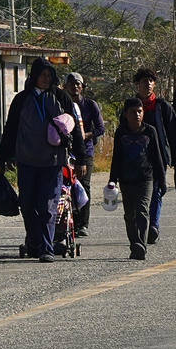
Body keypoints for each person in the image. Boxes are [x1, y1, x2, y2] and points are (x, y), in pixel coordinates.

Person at [0, 59, 82, 262]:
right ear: (34, 76)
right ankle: (34, 241)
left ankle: (46, 248)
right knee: (27, 204)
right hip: (27, 161)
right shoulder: (22, 99)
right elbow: (10, 130)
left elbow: (74, 129)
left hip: (53, 162)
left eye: (49, 75)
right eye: (42, 75)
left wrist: (81, 159)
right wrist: (2, 158)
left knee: (48, 206)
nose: (46, 78)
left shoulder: (60, 97)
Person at [108, 96, 170, 260]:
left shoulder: (150, 131)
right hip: (126, 179)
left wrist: (162, 181)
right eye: (133, 112)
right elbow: (116, 158)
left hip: (146, 178)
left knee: (142, 211)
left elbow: (157, 158)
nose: (137, 115)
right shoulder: (121, 132)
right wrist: (112, 180)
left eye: (140, 111)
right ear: (126, 114)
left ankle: (141, 245)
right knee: (130, 214)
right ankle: (134, 243)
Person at [132, 67, 176, 239]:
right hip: (135, 158)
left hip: (158, 157)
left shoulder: (162, 107)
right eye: (143, 81)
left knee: (156, 191)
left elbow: (175, 135)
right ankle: (141, 226)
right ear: (137, 85)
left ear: (154, 84)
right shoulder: (131, 107)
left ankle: (153, 226)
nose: (147, 84)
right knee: (137, 194)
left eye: (150, 81)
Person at [64, 72, 105, 237]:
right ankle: (70, 221)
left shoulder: (90, 105)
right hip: (67, 152)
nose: (75, 86)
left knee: (84, 185)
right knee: (67, 186)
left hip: (85, 152)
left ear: (82, 87)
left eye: (78, 84)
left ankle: (83, 223)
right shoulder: (62, 104)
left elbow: (100, 128)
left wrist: (85, 135)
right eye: (72, 83)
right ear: (66, 86)